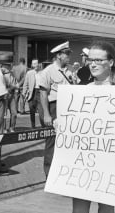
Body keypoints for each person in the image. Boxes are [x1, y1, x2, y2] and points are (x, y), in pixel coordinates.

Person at [70, 40, 115, 213]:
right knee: (78, 209)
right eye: (90, 59)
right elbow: (74, 123)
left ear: (111, 62)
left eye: (98, 60)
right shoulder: (83, 89)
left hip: (109, 161)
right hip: (83, 160)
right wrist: (62, 124)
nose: (92, 64)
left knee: (106, 209)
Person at [40, 41, 73, 177]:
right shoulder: (48, 71)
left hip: (68, 108)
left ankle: (63, 173)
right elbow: (43, 94)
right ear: (59, 55)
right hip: (54, 108)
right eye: (67, 54)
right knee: (52, 141)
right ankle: (50, 174)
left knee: (66, 141)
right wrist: (47, 115)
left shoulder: (70, 70)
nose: (69, 56)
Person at [23, 59, 44, 129]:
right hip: (32, 93)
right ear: (32, 65)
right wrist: (24, 93)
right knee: (32, 111)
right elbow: (25, 84)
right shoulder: (29, 73)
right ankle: (33, 127)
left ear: (39, 64)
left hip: (40, 92)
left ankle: (43, 126)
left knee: (41, 111)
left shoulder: (43, 72)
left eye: (36, 63)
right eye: (33, 64)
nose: (35, 65)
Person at [3, 61, 18, 133]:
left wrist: (16, 93)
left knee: (14, 112)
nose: (8, 68)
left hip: (12, 95)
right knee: (4, 113)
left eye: (9, 66)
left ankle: (12, 127)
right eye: (6, 66)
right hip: (5, 95)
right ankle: (4, 128)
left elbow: (16, 85)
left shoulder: (13, 75)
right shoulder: (1, 75)